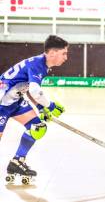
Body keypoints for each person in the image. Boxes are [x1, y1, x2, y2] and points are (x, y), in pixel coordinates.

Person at [0, 35, 68, 183]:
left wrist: (40, 108)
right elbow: (36, 91)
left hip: (14, 100)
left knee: (37, 126)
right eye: (64, 53)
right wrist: (49, 105)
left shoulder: (41, 64)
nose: (66, 57)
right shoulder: (38, 64)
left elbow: (30, 89)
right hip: (1, 103)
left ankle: (17, 162)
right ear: (52, 53)